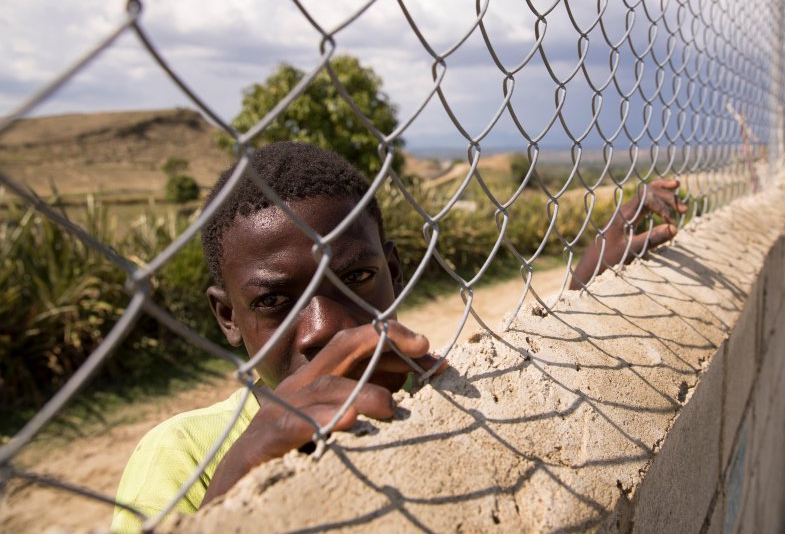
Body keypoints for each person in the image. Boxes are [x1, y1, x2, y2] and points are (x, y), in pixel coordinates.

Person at [112, 142, 683, 531]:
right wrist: (232, 492)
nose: (324, 329)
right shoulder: (183, 455)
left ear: (397, 273)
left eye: (357, 279)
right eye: (273, 303)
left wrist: (584, 291)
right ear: (228, 318)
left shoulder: (444, 391)